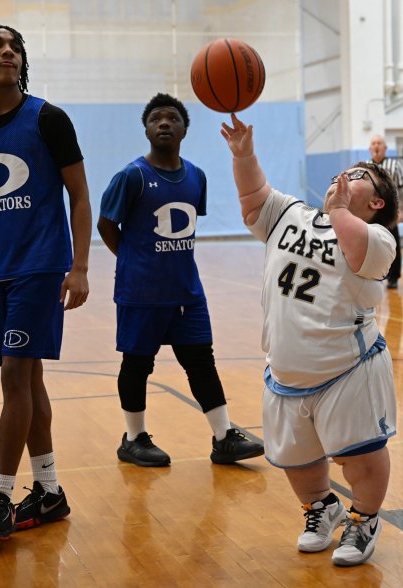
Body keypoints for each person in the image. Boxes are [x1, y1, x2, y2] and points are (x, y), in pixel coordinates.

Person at [222, 113, 398, 567]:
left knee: (360, 459)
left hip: (347, 370)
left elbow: (355, 247)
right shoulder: (294, 214)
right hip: (286, 368)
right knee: (296, 460)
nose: (347, 174)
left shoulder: (379, 238)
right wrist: (245, 155)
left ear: (377, 204)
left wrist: (338, 210)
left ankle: (364, 519)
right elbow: (253, 200)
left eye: (360, 176)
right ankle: (321, 508)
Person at [0, 25, 92, 540]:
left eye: (15, 47)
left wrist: (79, 266)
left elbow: (78, 194)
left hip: (40, 267)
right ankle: (50, 490)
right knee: (28, 379)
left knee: (12, 375)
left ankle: (3, 498)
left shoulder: (48, 118)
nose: (7, 52)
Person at [97, 93, 264, 468]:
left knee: (201, 361)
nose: (164, 123)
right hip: (140, 291)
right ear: (146, 128)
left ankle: (224, 438)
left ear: (185, 129)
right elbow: (106, 224)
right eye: (156, 118)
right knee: (137, 364)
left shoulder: (196, 177)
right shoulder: (132, 176)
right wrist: (131, 258)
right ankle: (133, 437)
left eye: (172, 118)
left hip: (187, 290)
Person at [368, 135, 403, 289]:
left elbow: (402, 189)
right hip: (370, 211)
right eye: (373, 143)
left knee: (393, 243)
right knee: (370, 243)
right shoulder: (366, 166)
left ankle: (394, 277)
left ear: (385, 148)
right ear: (369, 148)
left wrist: (401, 209)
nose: (376, 146)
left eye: (379, 143)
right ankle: (372, 275)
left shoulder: (394, 165)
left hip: (390, 210)